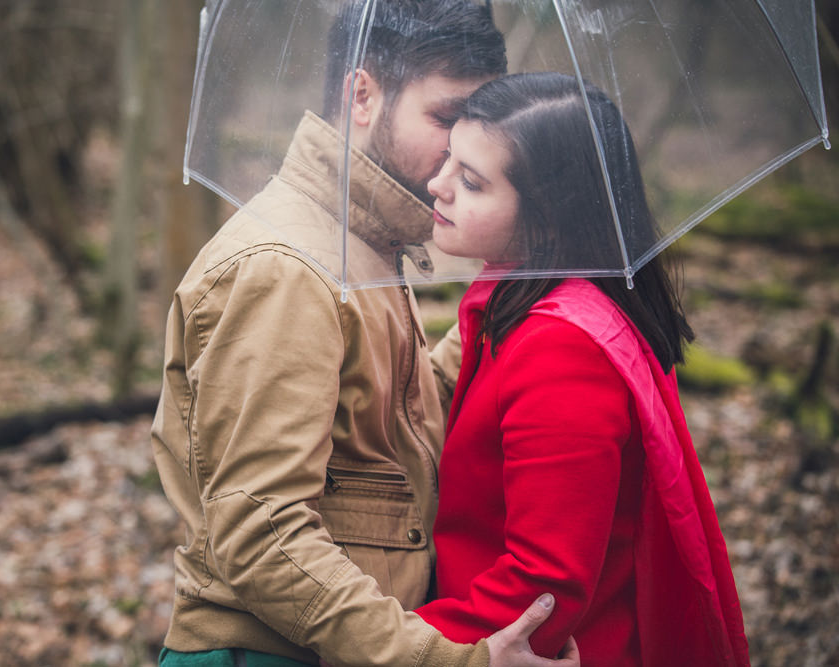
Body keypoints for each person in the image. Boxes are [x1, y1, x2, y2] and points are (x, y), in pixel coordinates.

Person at [151, 2, 579, 666]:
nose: (463, 145)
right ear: (362, 95)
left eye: (476, 121)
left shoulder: (365, 243)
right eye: (445, 117)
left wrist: (510, 295)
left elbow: (388, 426)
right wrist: (452, 661)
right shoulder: (289, 266)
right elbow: (262, 535)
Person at [414, 72, 751, 666]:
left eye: (470, 181)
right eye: (447, 161)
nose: (436, 185)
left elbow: (542, 585)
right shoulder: (519, 304)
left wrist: (388, 650)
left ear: (547, 216)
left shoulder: (561, 351)